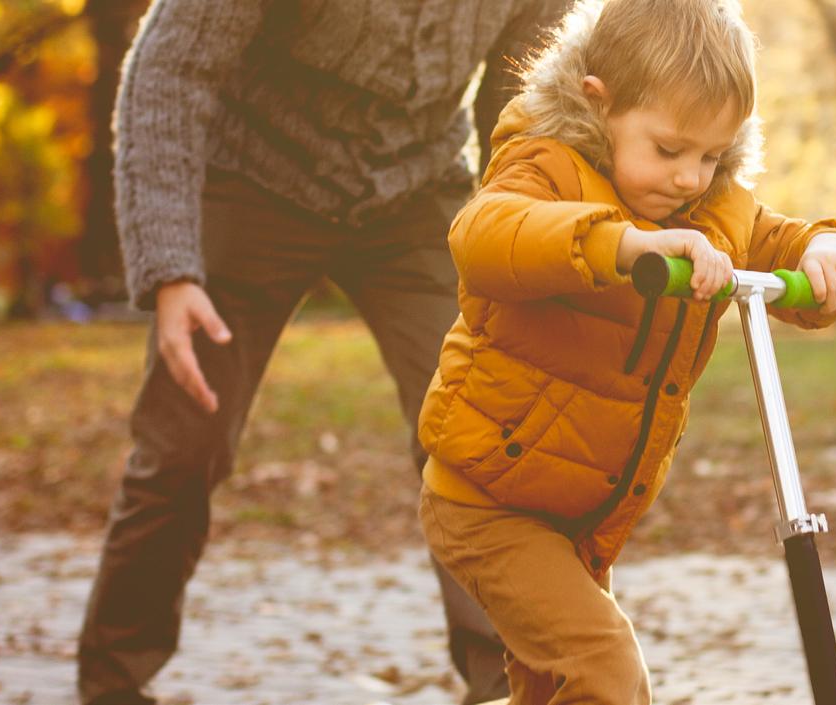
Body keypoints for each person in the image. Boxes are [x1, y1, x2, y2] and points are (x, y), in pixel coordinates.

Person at [76, 1, 574, 704]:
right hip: (252, 177)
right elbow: (170, 67)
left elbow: (520, 102)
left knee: (482, 428)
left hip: (415, 189)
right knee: (186, 440)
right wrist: (171, 270)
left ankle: (506, 682)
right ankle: (112, 681)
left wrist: (531, 242)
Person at [416, 0, 836, 702]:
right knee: (605, 671)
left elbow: (779, 244)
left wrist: (828, 246)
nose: (689, 177)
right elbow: (487, 234)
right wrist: (623, 246)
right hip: (490, 501)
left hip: (584, 519)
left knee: (553, 685)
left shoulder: (716, 210)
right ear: (600, 103)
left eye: (711, 156)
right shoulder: (543, 166)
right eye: (670, 149)